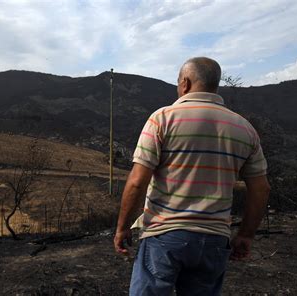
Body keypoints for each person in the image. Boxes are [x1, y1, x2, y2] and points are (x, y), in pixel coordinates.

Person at [114, 57, 270, 295]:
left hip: (164, 235)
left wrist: (123, 227)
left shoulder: (162, 119)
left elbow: (137, 182)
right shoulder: (244, 128)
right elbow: (261, 189)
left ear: (185, 83)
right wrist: (246, 234)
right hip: (215, 241)